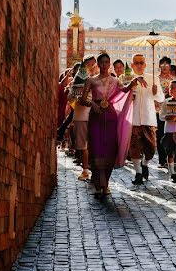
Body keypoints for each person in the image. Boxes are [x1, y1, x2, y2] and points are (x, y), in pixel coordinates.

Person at [78, 53, 144, 197]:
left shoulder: (114, 80)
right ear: (98, 64)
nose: (104, 65)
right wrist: (93, 104)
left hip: (111, 115)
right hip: (96, 116)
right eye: (101, 62)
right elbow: (82, 100)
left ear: (109, 64)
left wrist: (133, 82)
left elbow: (125, 90)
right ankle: (98, 183)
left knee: (109, 148)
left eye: (107, 62)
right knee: (96, 148)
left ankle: (105, 184)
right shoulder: (91, 80)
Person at [128, 54, 163, 184]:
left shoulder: (153, 78)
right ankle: (137, 172)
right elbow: (122, 96)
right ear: (132, 65)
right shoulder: (127, 78)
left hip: (149, 118)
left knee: (151, 147)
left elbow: (161, 98)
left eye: (141, 62)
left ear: (145, 64)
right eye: (136, 63)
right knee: (134, 147)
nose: (139, 65)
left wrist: (156, 91)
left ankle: (145, 163)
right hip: (133, 118)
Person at [69, 63, 91, 179]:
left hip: (90, 117)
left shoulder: (92, 86)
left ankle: (88, 169)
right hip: (80, 118)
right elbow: (71, 101)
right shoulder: (73, 88)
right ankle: (86, 169)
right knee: (83, 147)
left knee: (89, 146)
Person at [156, 57, 174, 165]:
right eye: (162, 64)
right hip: (158, 110)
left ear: (170, 66)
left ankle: (172, 157)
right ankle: (162, 159)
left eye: (167, 64)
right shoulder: (156, 80)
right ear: (159, 66)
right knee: (160, 135)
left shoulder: (173, 80)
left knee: (171, 134)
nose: (164, 66)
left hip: (171, 110)